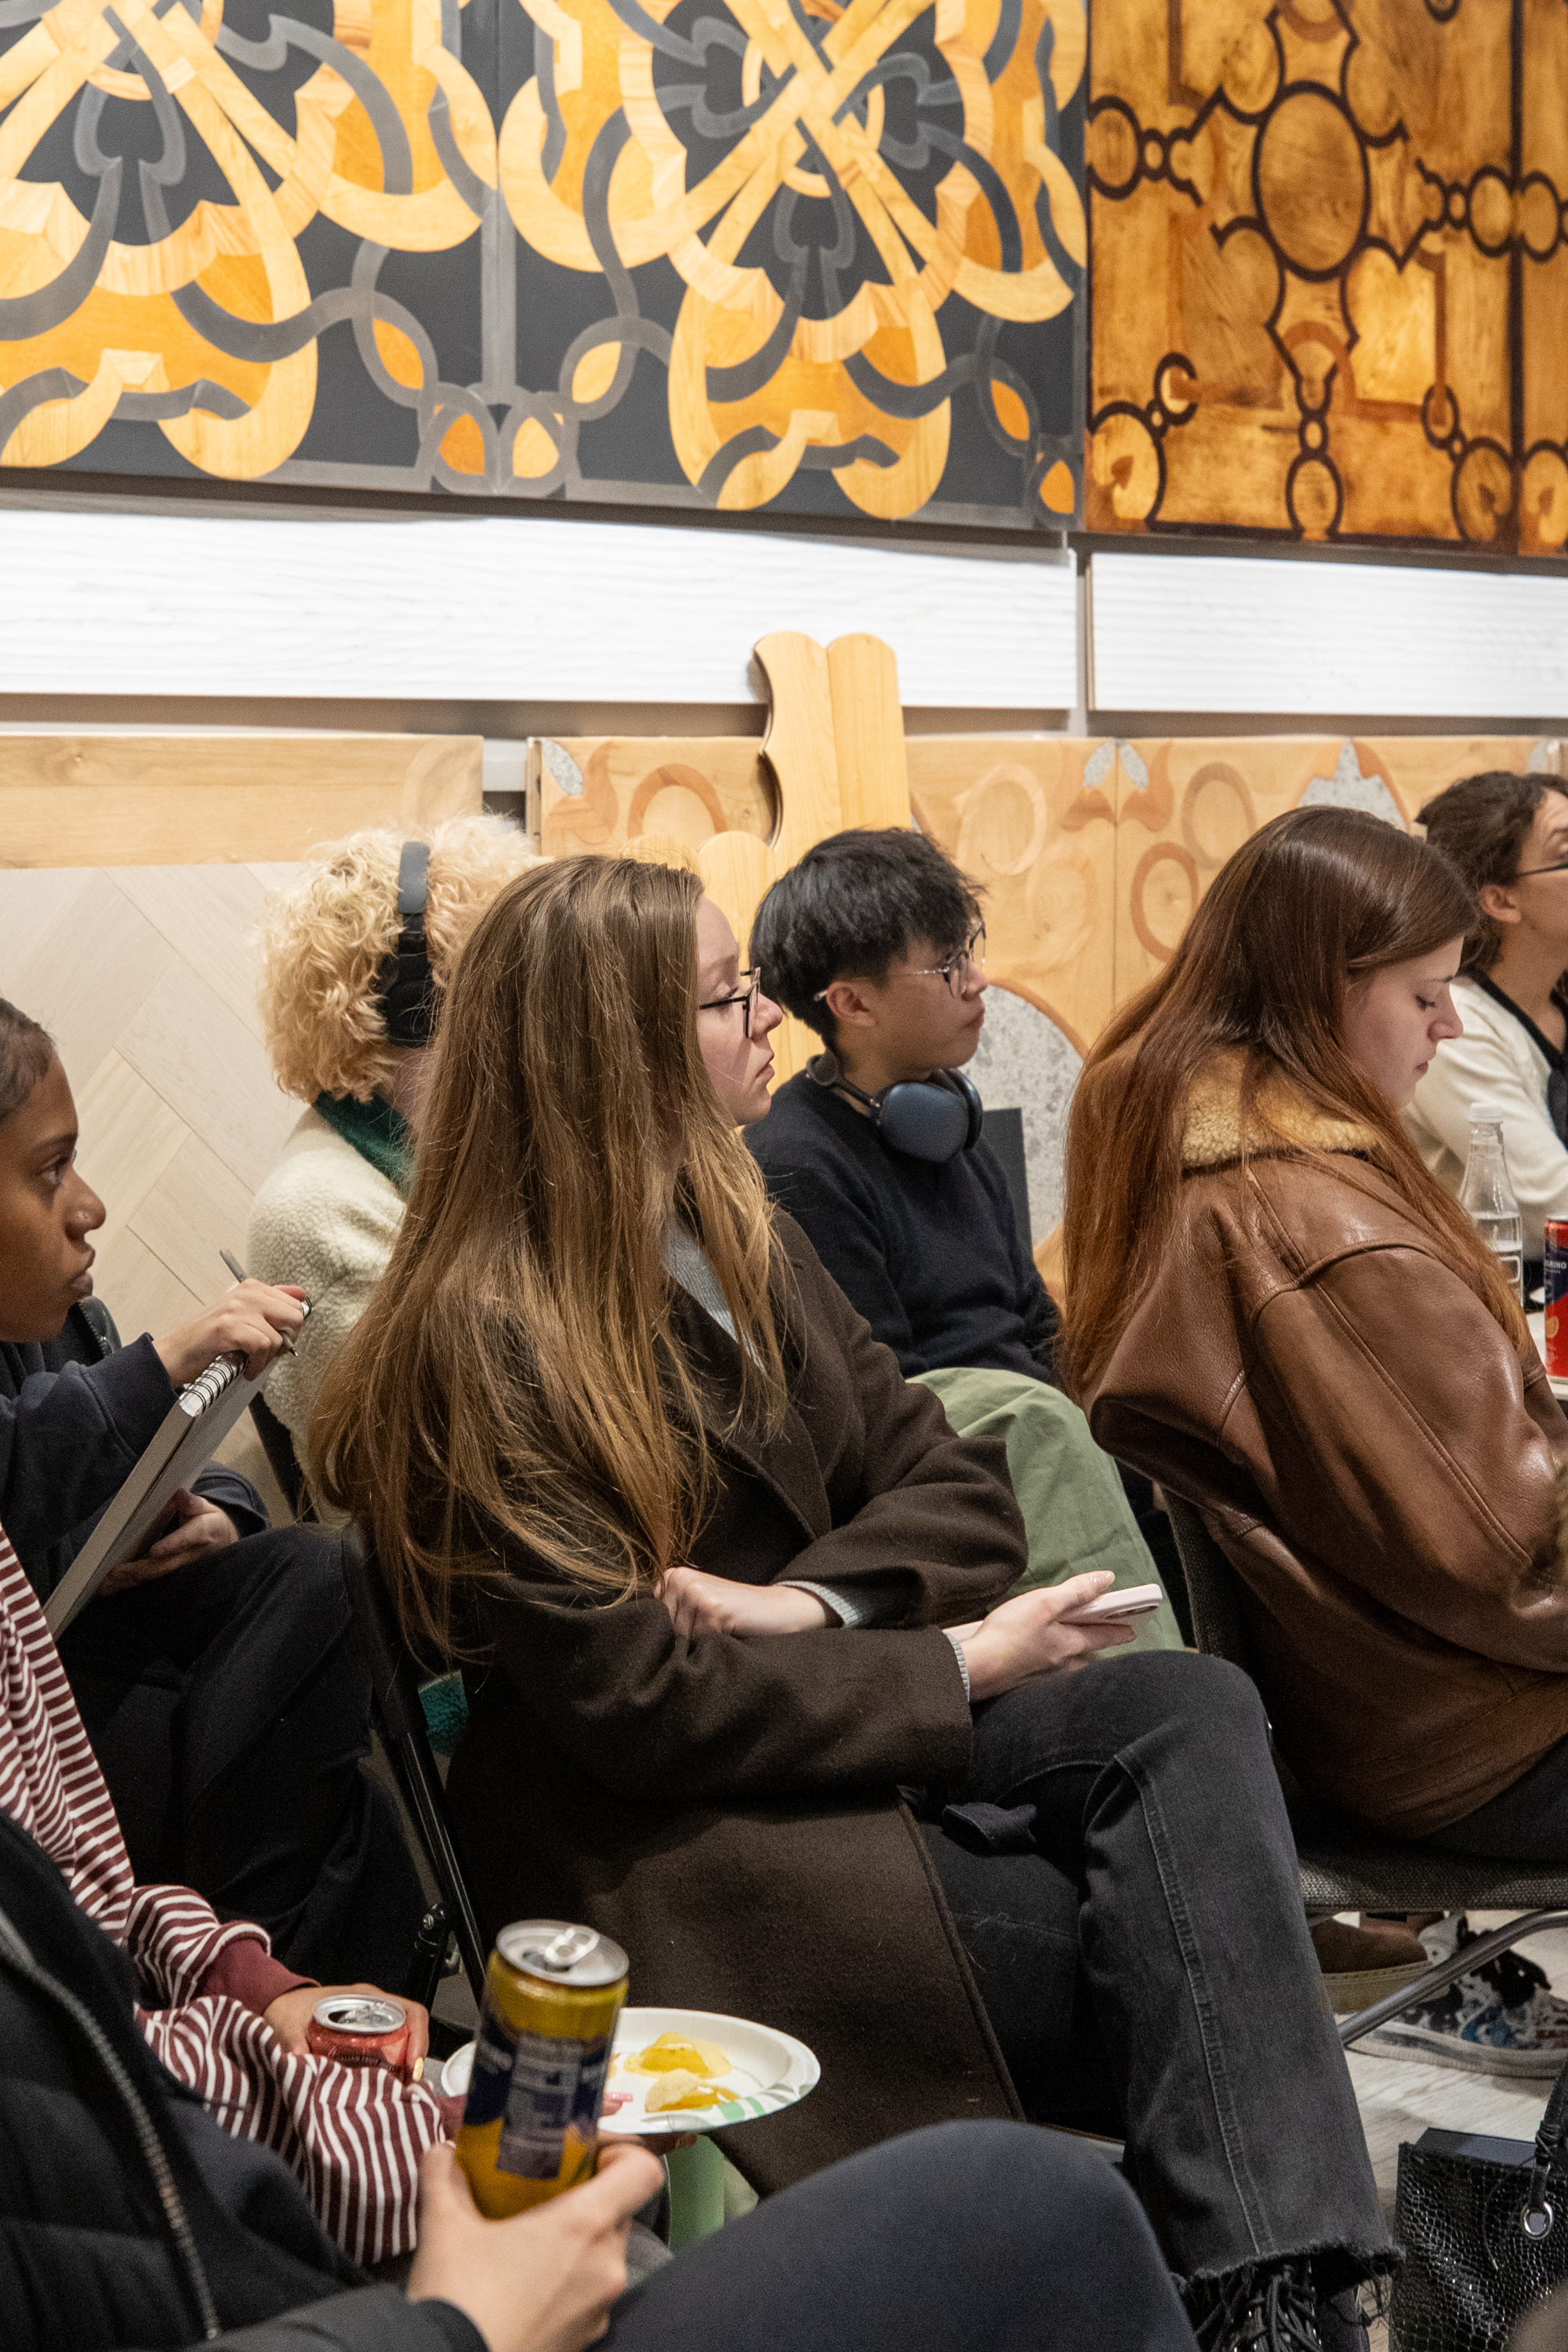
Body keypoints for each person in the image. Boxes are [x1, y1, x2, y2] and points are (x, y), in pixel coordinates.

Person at [314, 854, 1393, 2351]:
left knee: (1187, 1705)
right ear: (613, 1047)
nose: (767, 1015)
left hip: (829, 1725)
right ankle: (1275, 2303)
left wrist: (811, 1612)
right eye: (723, 994)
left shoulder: (738, 1231)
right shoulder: (483, 1340)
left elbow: (957, 1487)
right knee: (1192, 1948)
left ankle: (1268, 2302)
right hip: (687, 1849)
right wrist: (948, 1659)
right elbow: (642, 1705)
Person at [1065, 804, 1568, 2072]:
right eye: (1425, 995)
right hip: (1474, 1731)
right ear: (1318, 995)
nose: (1453, 1027)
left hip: (1398, 1705)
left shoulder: (1199, 1148)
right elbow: (1512, 1559)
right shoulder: (1317, 1225)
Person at [0, 996, 424, 1986]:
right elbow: (27, 1461)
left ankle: (275, 1984)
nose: (89, 1205)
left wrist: (211, 1511)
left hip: (110, 1679)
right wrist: (172, 1352)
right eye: (49, 1170)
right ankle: (259, 1990)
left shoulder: (60, 1319)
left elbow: (165, 1447)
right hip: (33, 1754)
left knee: (316, 1580)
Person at [746, 827, 1184, 1653]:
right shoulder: (797, 1165)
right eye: (946, 966)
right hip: (962, 1487)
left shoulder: (948, 1124)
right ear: (852, 1003)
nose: (977, 982)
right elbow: (885, 1404)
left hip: (1045, 1444)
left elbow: (1033, 1322)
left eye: (967, 952)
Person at [249, 815, 539, 1494]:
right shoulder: (317, 1207)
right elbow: (453, 1468)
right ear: (419, 1010)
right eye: (507, 981)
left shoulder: (466, 1147)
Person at [1406, 768, 1568, 1291]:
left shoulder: (1558, 993)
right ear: (1501, 900)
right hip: (1508, 1309)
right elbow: (1556, 1207)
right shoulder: (1456, 1030)